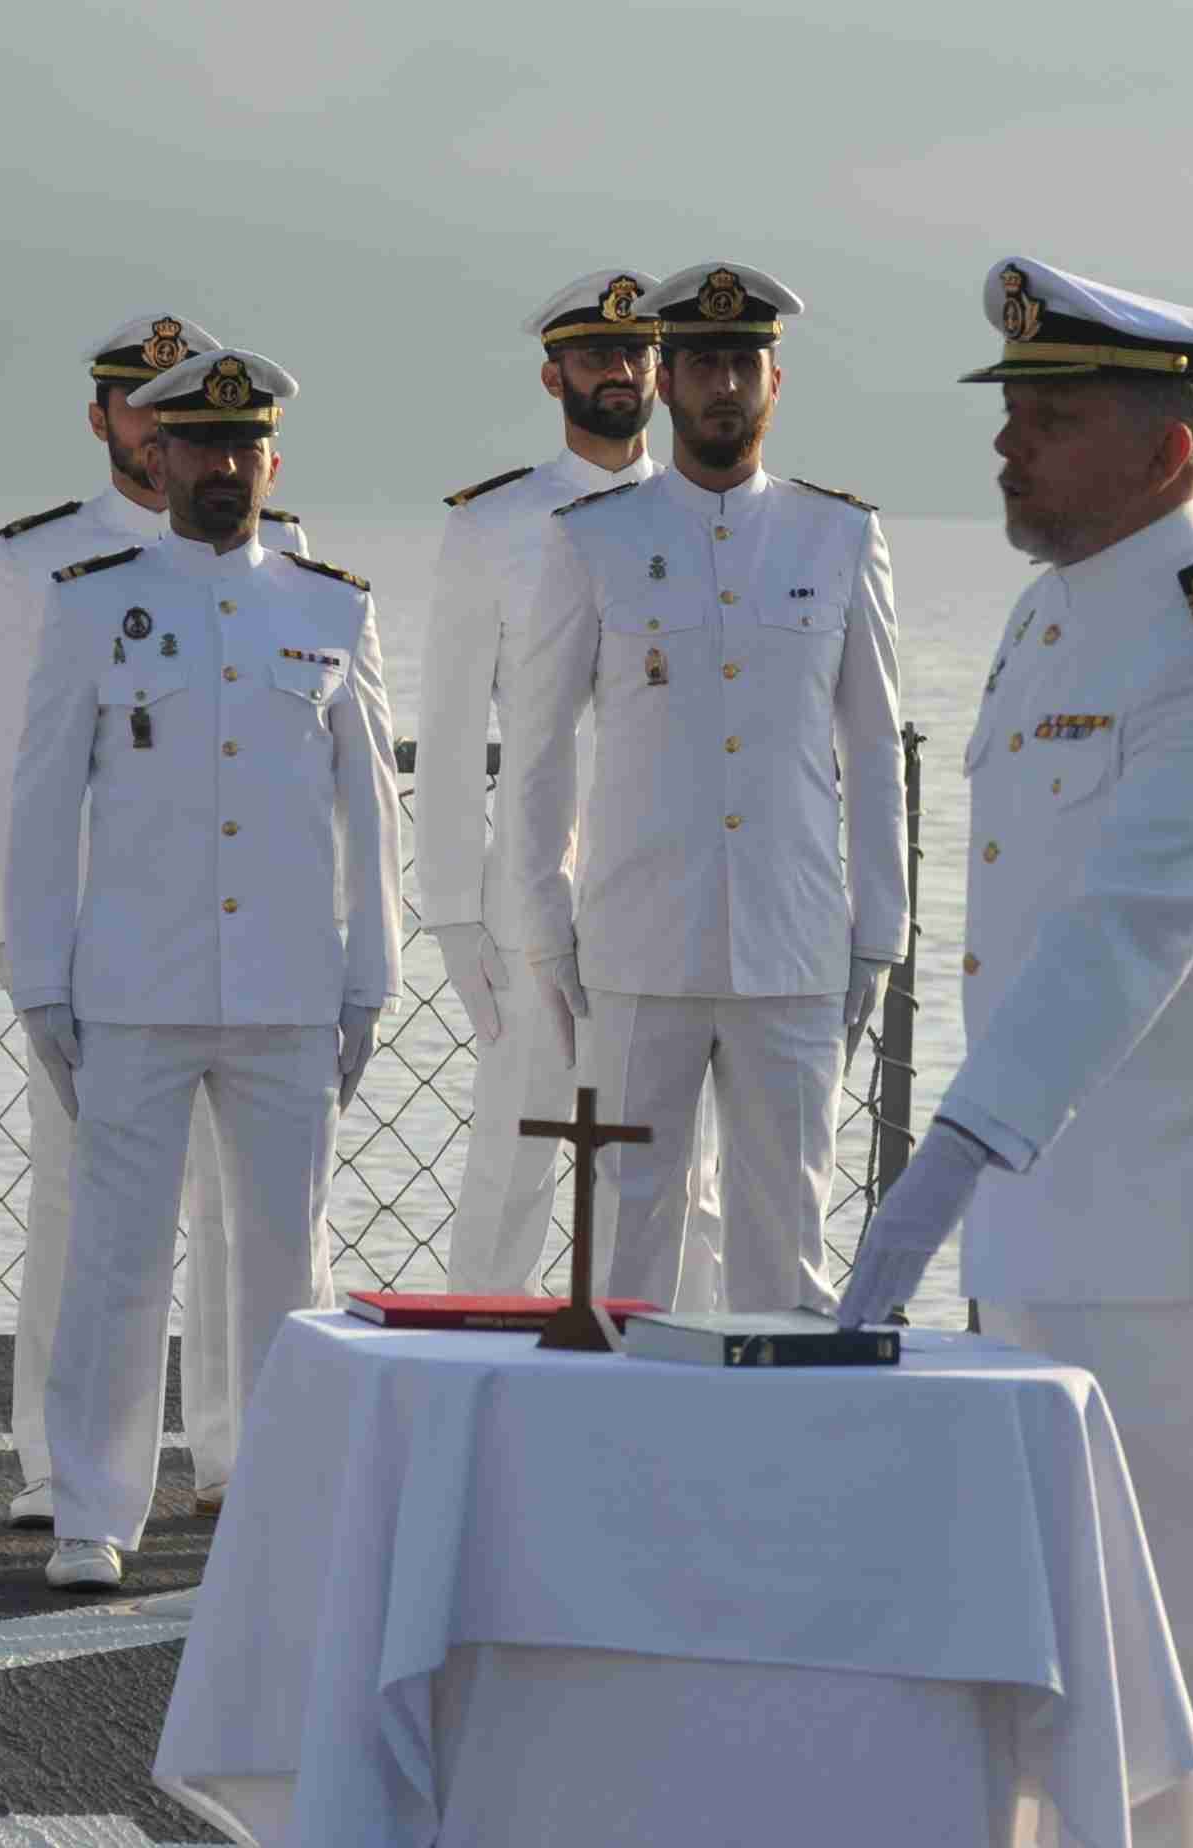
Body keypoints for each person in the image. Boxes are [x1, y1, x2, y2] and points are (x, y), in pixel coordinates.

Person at [838, 257, 1193, 1848]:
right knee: (1068, 1643)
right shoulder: (1054, 614)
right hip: (1051, 1228)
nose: (1010, 446)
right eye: (1010, 413)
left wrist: (940, 1170)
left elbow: (1127, 930)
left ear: (1174, 446)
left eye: (1053, 417)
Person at [3, 347, 399, 1592]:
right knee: (116, 1261)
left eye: (245, 447)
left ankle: (287, 1497)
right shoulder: (85, 601)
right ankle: (92, 1510)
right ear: (157, 455)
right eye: (198, 445)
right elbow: (38, 804)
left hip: (287, 988)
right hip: (133, 987)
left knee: (288, 1260)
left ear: (271, 462)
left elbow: (373, 811)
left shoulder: (332, 609)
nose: (222, 467)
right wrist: (40, 982)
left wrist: (370, 978)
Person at [505, 261, 907, 1314]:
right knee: (625, 1239)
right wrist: (546, 925)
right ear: (667, 381)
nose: (725, 386)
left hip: (795, 940)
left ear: (777, 384)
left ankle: (787, 1461)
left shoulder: (841, 538)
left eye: (745, 364)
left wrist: (879, 933)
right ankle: (619, 1463)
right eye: (703, 366)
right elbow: (538, 744)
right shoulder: (594, 538)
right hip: (638, 939)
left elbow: (872, 749)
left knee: (788, 1235)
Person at [0, 313, 309, 1529]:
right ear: (113, 421)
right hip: (104, 951)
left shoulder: (291, 560)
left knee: (251, 1223)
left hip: (249, 957)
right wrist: (21, 945)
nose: (165, 435)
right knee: (87, 1215)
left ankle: (230, 1453)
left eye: (202, 424)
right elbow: (14, 767)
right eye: (141, 408)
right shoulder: (45, 563)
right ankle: (66, 1467)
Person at [419, 269, 722, 1299]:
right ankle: (472, 1380)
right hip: (531, 899)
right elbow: (456, 736)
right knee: (516, 1154)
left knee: (686, 1172)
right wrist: (456, 916)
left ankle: (684, 1380)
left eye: (639, 355)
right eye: (598, 356)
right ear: (555, 376)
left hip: (676, 882)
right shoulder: (493, 525)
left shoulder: (704, 516)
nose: (622, 373)